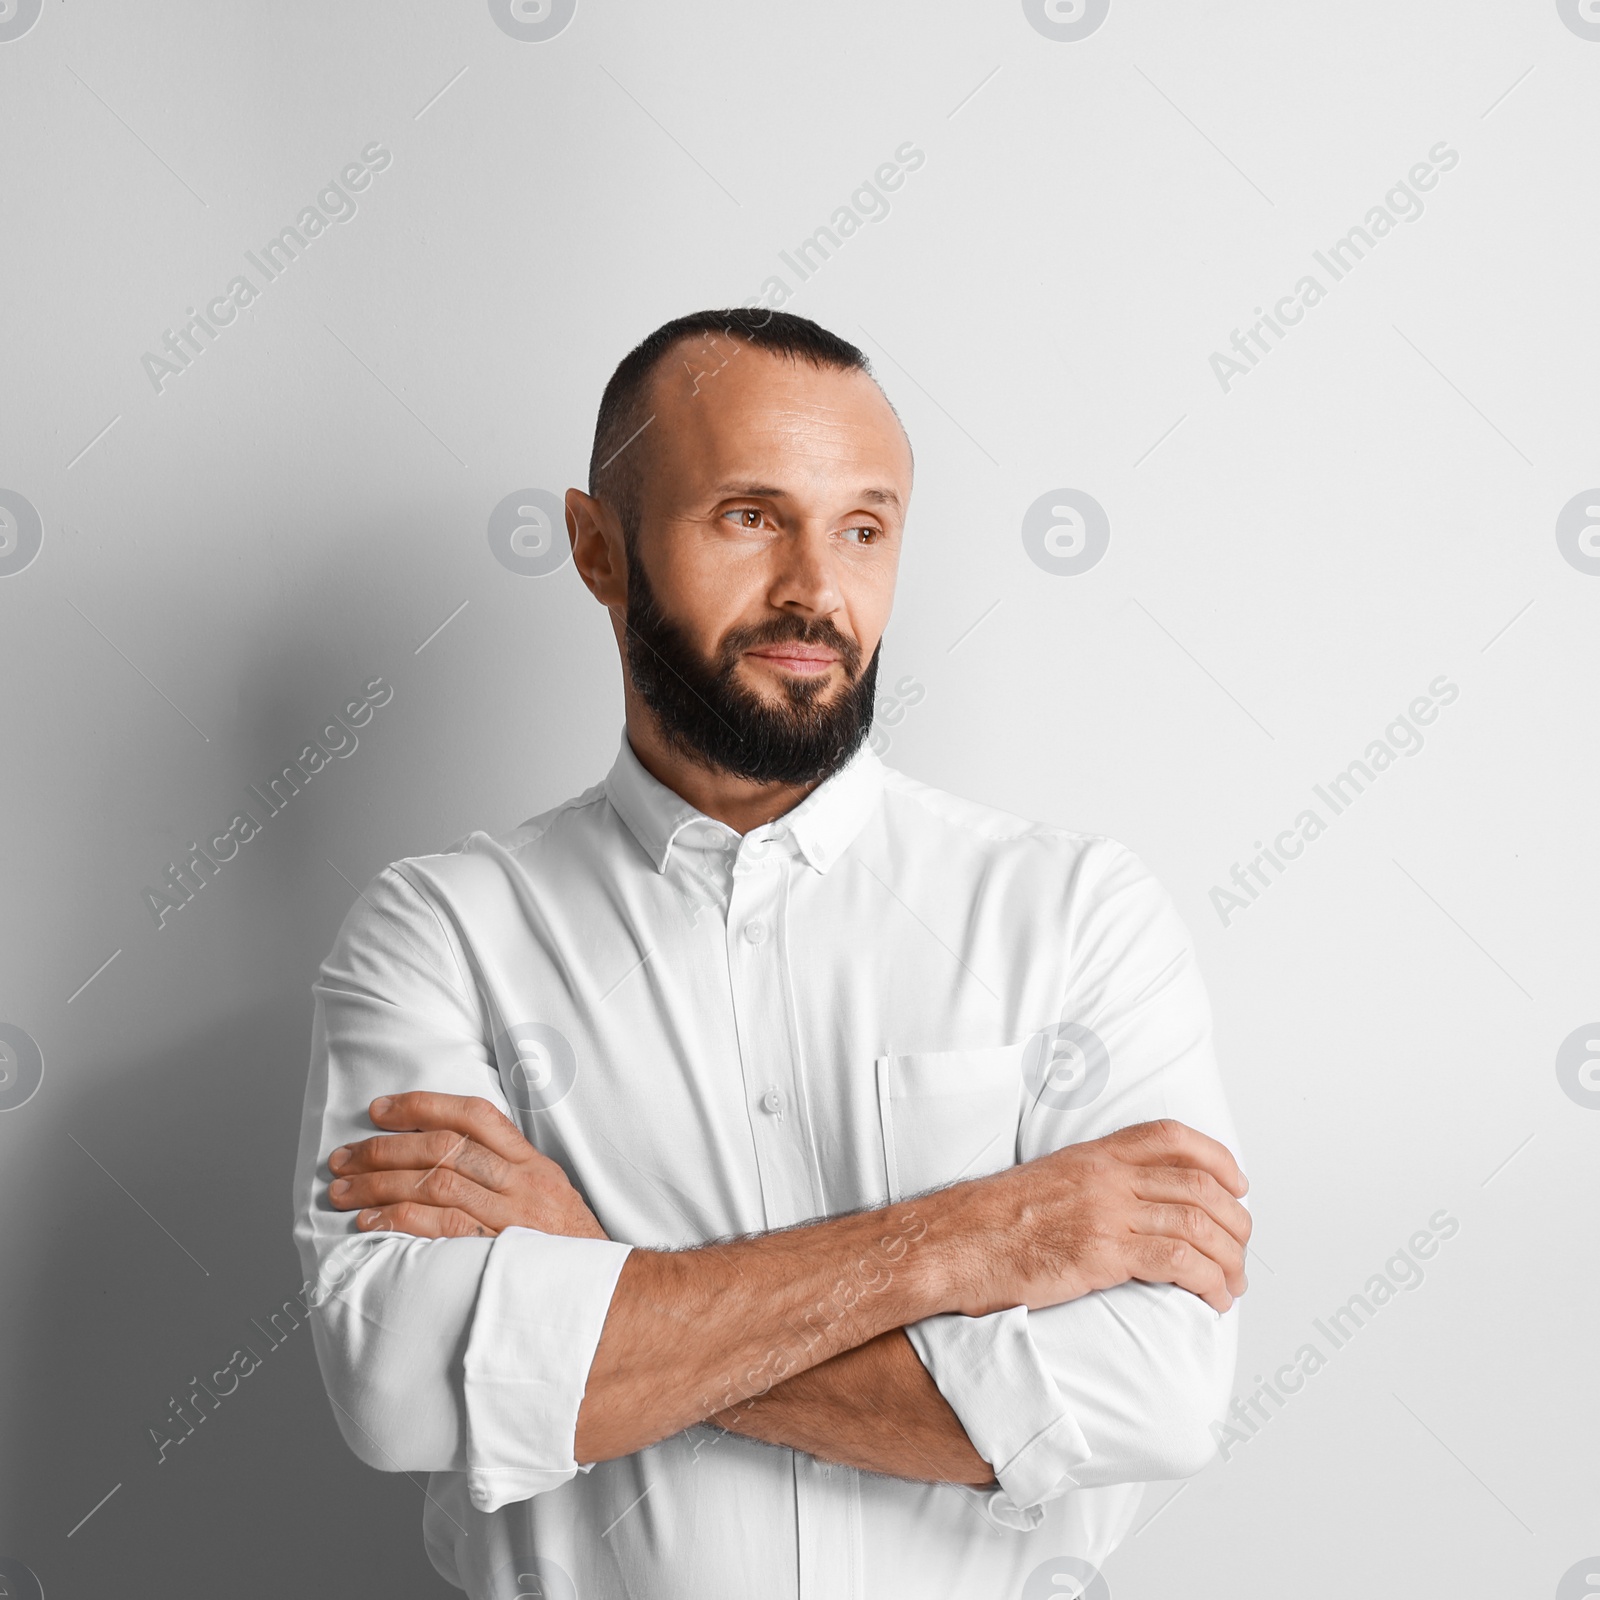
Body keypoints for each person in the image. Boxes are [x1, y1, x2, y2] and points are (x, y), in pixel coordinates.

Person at [291, 308, 1251, 1600]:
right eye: (750, 516)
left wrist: (595, 1285)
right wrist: (970, 1239)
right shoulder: (439, 936)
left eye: (863, 528)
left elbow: (1155, 1399)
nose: (816, 588)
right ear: (595, 549)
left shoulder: (1080, 915)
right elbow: (406, 1389)